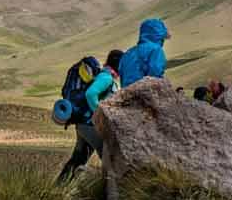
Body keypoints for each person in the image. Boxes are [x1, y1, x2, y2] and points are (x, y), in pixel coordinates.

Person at [57, 50, 123, 181]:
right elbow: (90, 94)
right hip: (91, 126)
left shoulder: (103, 75)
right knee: (109, 159)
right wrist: (99, 115)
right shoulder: (107, 78)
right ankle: (107, 194)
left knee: (77, 160)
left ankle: (58, 189)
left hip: (84, 125)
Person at [118, 18, 168, 87]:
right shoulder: (155, 50)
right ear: (158, 37)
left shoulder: (127, 53)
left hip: (126, 95)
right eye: (162, 38)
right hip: (145, 93)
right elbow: (155, 75)